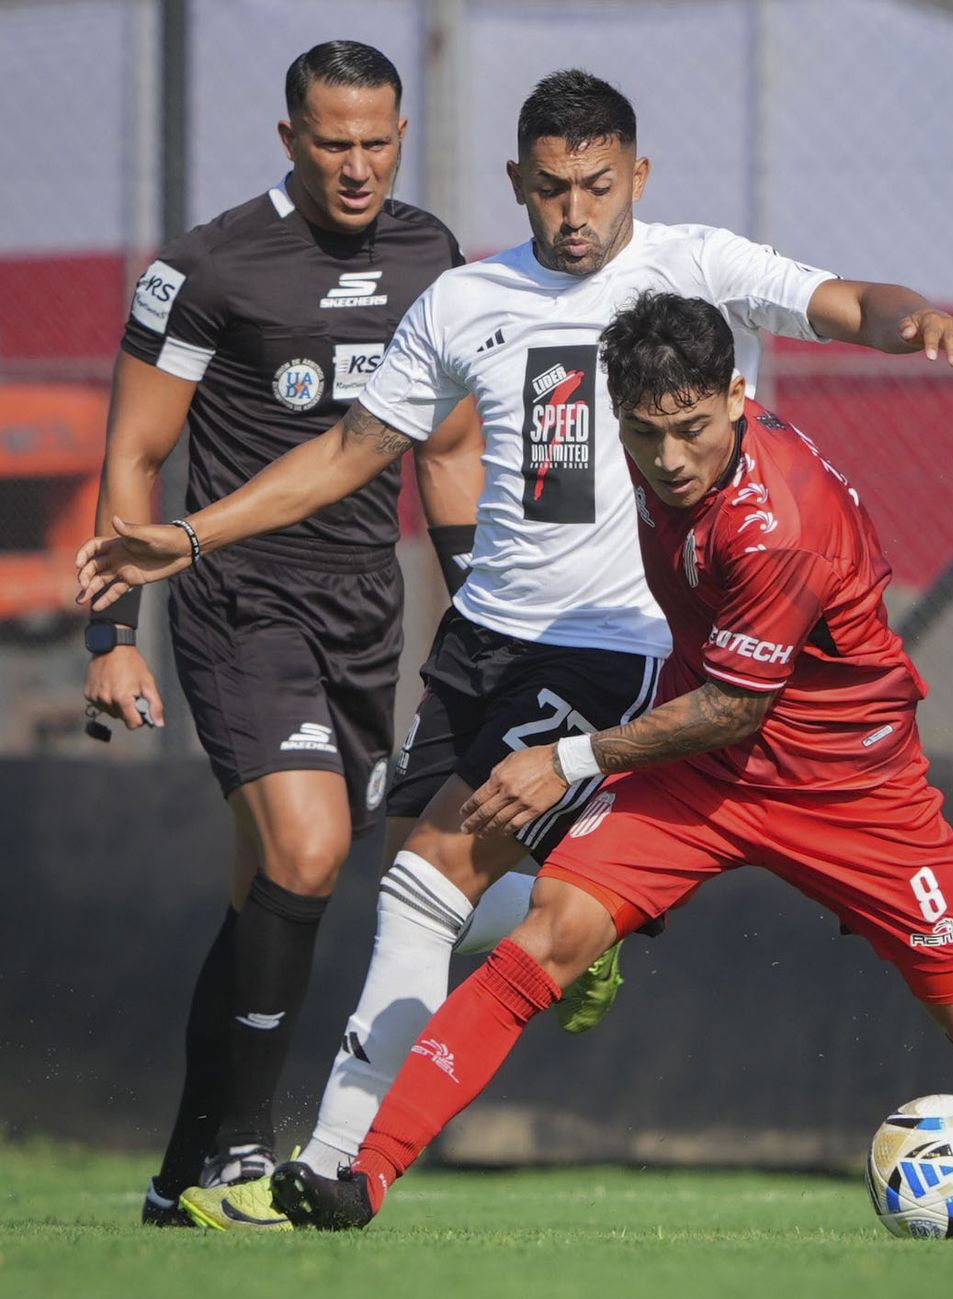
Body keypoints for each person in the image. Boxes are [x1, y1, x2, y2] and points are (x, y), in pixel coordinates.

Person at [76, 69, 953, 1230]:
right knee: (423, 881)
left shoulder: (691, 265)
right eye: (551, 188)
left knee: (420, 887)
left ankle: (335, 1165)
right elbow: (356, 446)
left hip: (609, 647)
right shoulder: (463, 300)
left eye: (597, 186)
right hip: (481, 644)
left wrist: (915, 322)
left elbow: (846, 299)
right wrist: (193, 538)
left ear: (637, 179)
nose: (576, 212)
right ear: (517, 183)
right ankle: (559, 919)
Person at [259, 292, 953, 1230]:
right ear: (620, 415)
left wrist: (568, 759)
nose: (671, 459)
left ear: (735, 393)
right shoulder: (651, 442)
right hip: (703, 777)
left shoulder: (779, 523)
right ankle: (365, 1177)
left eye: (690, 430)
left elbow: (734, 707)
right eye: (646, 435)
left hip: (850, 789)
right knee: (547, 937)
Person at [82, 40, 489, 1228]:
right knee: (309, 853)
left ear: (401, 135)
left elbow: (451, 449)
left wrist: (468, 601)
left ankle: (178, 1175)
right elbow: (136, 455)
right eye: (332, 142)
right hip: (238, 595)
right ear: (287, 140)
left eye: (377, 141)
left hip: (368, 605)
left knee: (274, 885)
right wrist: (113, 630)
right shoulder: (208, 268)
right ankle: (244, 1158)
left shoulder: (430, 255)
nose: (357, 166)